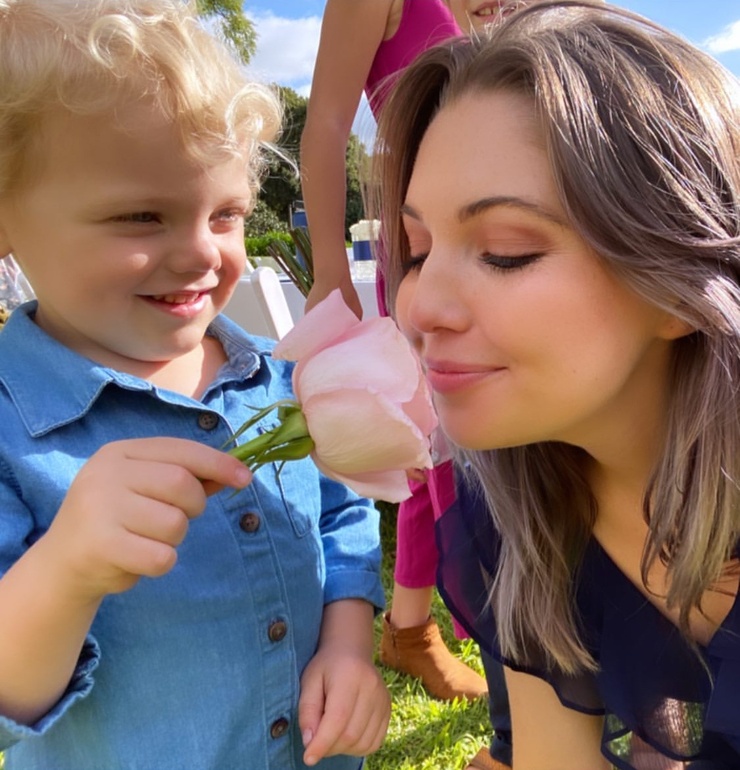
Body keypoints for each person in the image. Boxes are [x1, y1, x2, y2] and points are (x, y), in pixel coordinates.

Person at [0, 1, 390, 769]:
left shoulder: (275, 379)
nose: (202, 254)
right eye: (141, 216)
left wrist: (348, 647)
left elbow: (343, 517)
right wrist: (66, 568)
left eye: (227, 214)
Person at [374, 1, 740, 767]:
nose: (417, 308)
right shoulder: (513, 509)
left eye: (505, 250)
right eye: (417, 248)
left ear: (679, 283)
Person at [301, 0, 524, 711]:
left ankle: (410, 628)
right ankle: (514, 683)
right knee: (454, 455)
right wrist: (329, 269)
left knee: (444, 448)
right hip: (427, 254)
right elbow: (328, 124)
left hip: (514, 243)